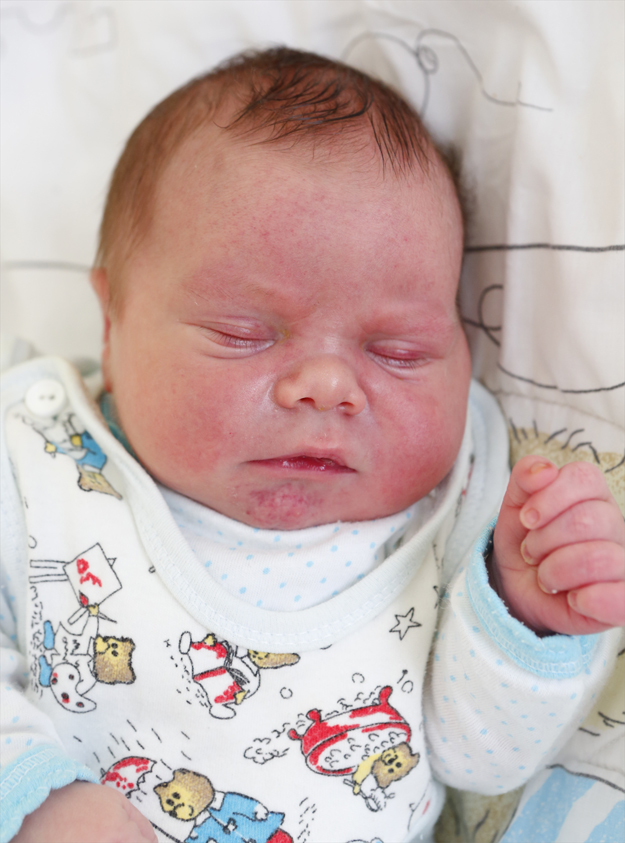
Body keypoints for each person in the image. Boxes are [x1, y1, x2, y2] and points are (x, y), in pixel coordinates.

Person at [1, 48, 623, 843]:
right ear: (111, 324)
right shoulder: (38, 461)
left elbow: (481, 761)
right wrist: (32, 798)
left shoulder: (458, 511)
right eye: (244, 333)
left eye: (397, 351)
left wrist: (522, 617)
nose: (327, 386)